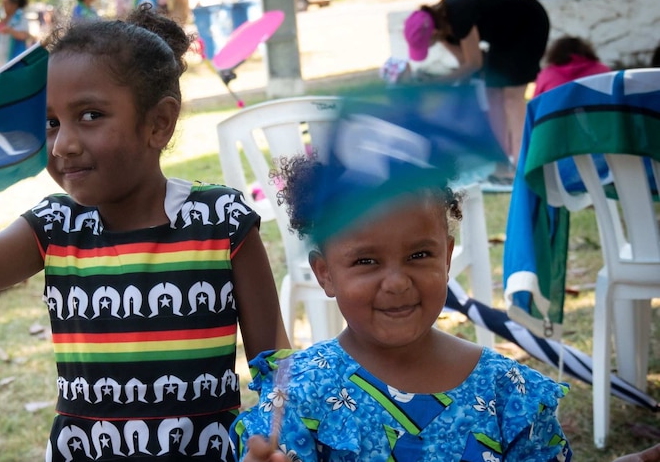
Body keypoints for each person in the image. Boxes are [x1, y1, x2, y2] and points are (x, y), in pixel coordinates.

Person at [0, 6, 289, 461]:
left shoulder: (221, 221)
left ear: (158, 123)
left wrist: (274, 438)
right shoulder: (56, 227)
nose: (64, 144)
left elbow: (275, 362)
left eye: (91, 116)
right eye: (52, 122)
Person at [232, 153, 573, 461]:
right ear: (325, 273)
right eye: (366, 261)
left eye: (419, 255)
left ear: (447, 257)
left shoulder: (509, 394)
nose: (396, 282)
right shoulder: (298, 395)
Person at [403, 0, 550, 178]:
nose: (429, 48)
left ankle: (524, 165)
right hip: (503, 36)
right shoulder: (441, 28)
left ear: (434, 32)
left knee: (512, 97)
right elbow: (465, 63)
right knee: (493, 94)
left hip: (528, 24)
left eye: (426, 44)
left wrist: (435, 83)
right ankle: (502, 163)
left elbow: (474, 63)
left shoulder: (458, 14)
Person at [533, 36, 610, 97]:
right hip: (597, 115)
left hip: (557, 116)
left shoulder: (546, 75)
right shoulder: (602, 70)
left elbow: (534, 106)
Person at [0, 0, 32, 66]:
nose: (3, 7)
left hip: (16, 59)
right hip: (3, 60)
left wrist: (11, 31)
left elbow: (24, 35)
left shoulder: (21, 18)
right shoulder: (4, 19)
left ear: (14, 5)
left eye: (6, 4)